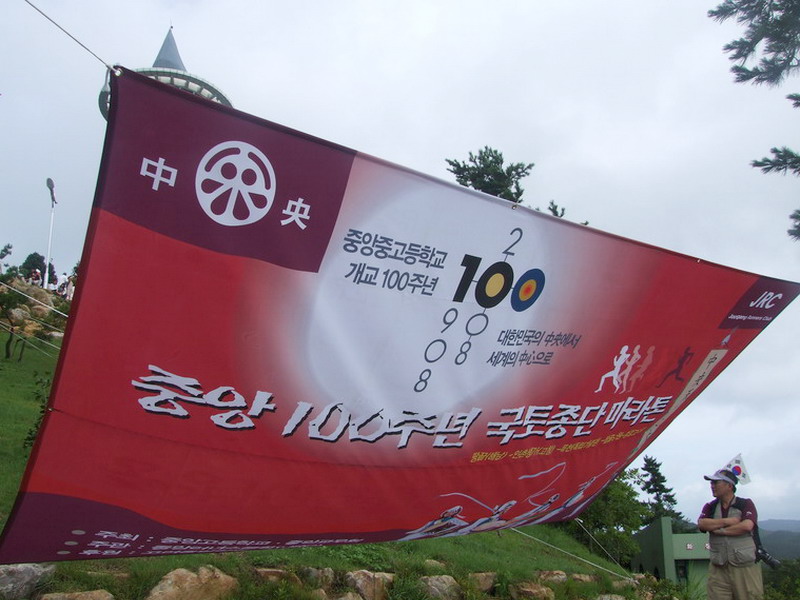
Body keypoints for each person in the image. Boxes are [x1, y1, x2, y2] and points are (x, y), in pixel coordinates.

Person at [698, 468, 763, 600]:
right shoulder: (710, 507)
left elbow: (747, 526)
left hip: (745, 567)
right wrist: (728, 521)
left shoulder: (745, 504)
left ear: (729, 485)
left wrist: (719, 530)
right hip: (718, 568)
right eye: (711, 483)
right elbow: (702, 524)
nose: (712, 486)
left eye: (716, 482)